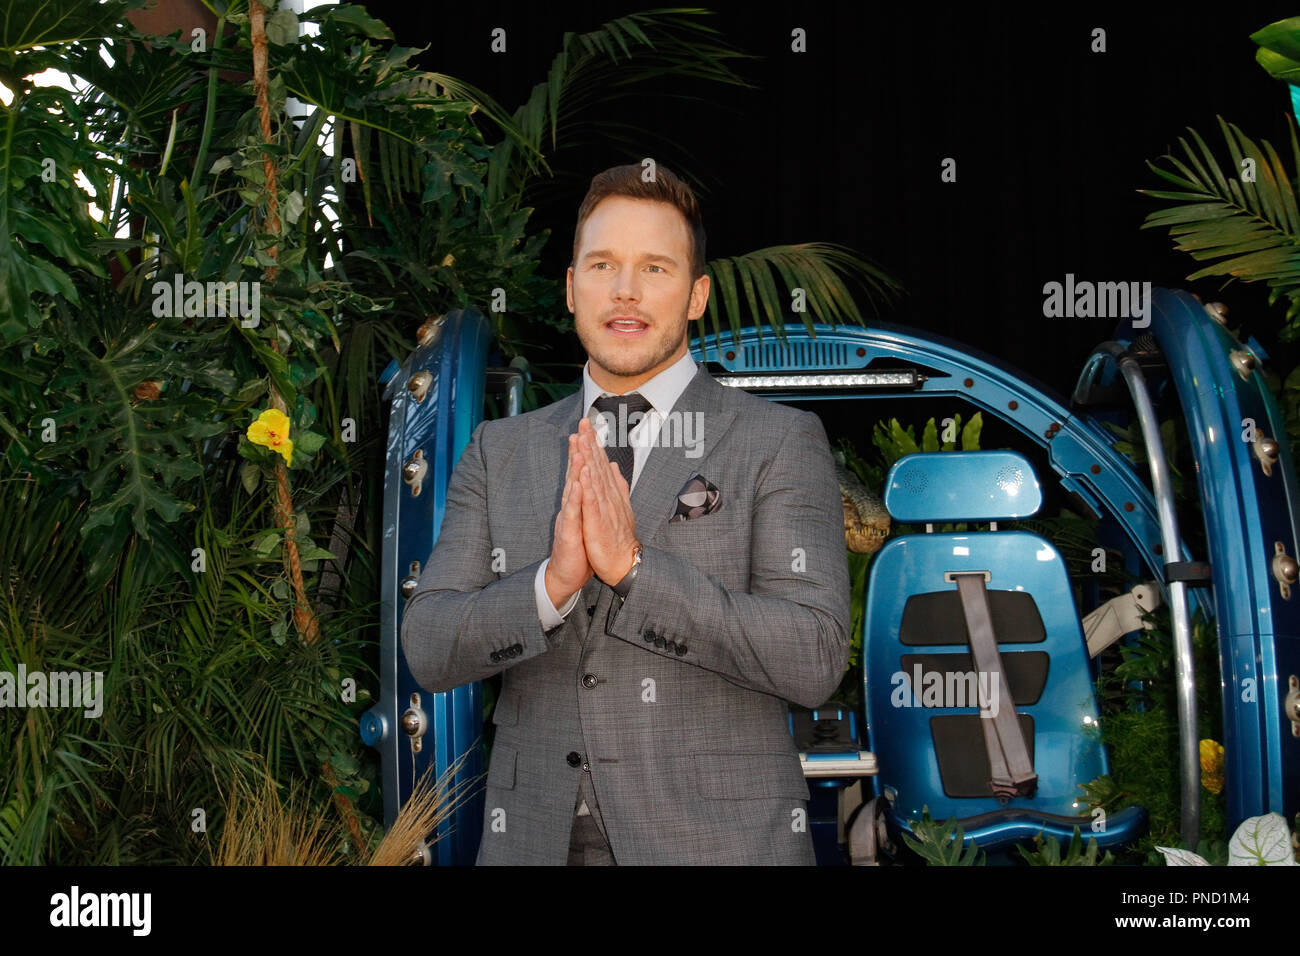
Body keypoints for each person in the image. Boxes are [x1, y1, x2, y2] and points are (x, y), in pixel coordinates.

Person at [400, 163, 850, 865]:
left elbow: (814, 656)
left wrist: (636, 571)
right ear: (572, 286)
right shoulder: (500, 450)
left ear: (696, 295)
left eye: (655, 268)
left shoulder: (778, 441)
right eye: (603, 264)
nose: (626, 291)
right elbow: (427, 644)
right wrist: (550, 588)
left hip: (717, 845)